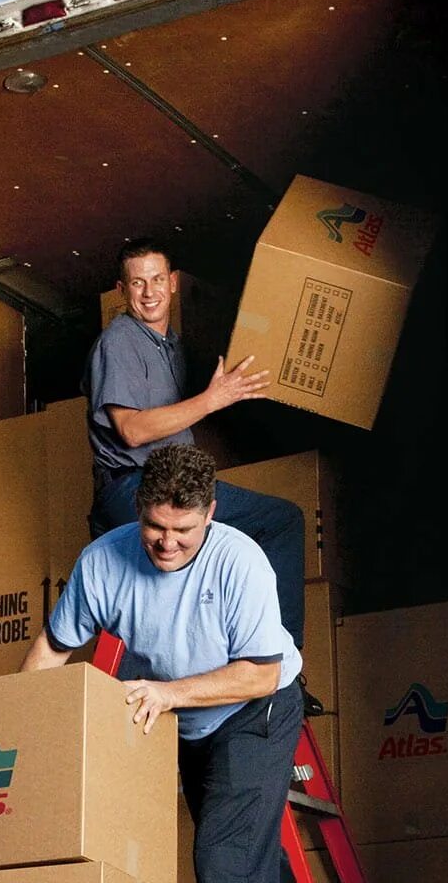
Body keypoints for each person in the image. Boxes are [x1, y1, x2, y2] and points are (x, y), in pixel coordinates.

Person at [22, 445, 368, 883]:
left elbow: (261, 673)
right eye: (156, 526)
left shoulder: (240, 562)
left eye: (184, 530)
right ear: (139, 510)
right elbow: (53, 645)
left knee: (224, 857)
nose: (167, 543)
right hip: (186, 721)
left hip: (254, 712)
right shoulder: (104, 561)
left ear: (210, 514)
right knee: (253, 870)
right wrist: (21, 726)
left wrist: (166, 693)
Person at [85, 236, 315, 684]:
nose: (148, 292)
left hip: (163, 483)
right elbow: (131, 429)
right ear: (121, 291)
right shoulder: (121, 342)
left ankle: (234, 658)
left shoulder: (167, 345)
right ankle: (278, 665)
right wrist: (212, 400)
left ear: (173, 283)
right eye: (137, 283)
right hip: (136, 487)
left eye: (156, 280)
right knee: (281, 521)